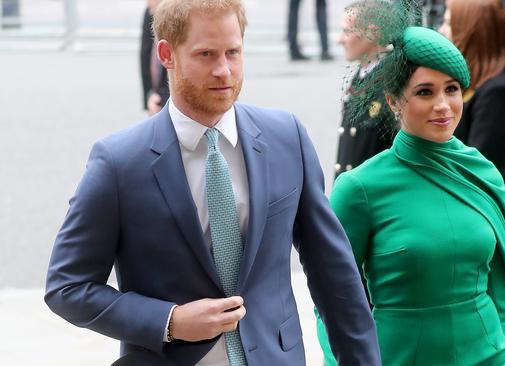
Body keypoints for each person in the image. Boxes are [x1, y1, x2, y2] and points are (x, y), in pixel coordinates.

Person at [44, 1, 381, 365]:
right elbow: (67, 286)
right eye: (206, 54)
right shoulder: (118, 162)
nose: (224, 70)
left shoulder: (287, 138)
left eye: (233, 52)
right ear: (166, 54)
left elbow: (335, 275)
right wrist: (169, 322)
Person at [316, 21, 505, 366]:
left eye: (451, 90)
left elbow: (501, 288)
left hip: (491, 357)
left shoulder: (482, 173)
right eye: (425, 92)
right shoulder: (360, 188)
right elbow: (331, 301)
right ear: (394, 101)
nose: (443, 105)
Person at [439, 0, 505, 311]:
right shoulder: (469, 86)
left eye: (450, 21)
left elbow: (474, 168)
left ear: (470, 31)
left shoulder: (498, 92)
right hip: (467, 230)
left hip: (491, 236)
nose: (441, 29)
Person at [333, 0, 400, 179]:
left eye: (347, 31)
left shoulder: (391, 83)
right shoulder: (362, 75)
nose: (339, 40)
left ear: (372, 33)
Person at [140, 0, 169, 115]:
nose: (147, 3)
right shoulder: (149, 12)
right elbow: (145, 56)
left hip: (170, 100)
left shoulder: (182, 13)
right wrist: (149, 95)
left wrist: (162, 99)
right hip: (155, 100)